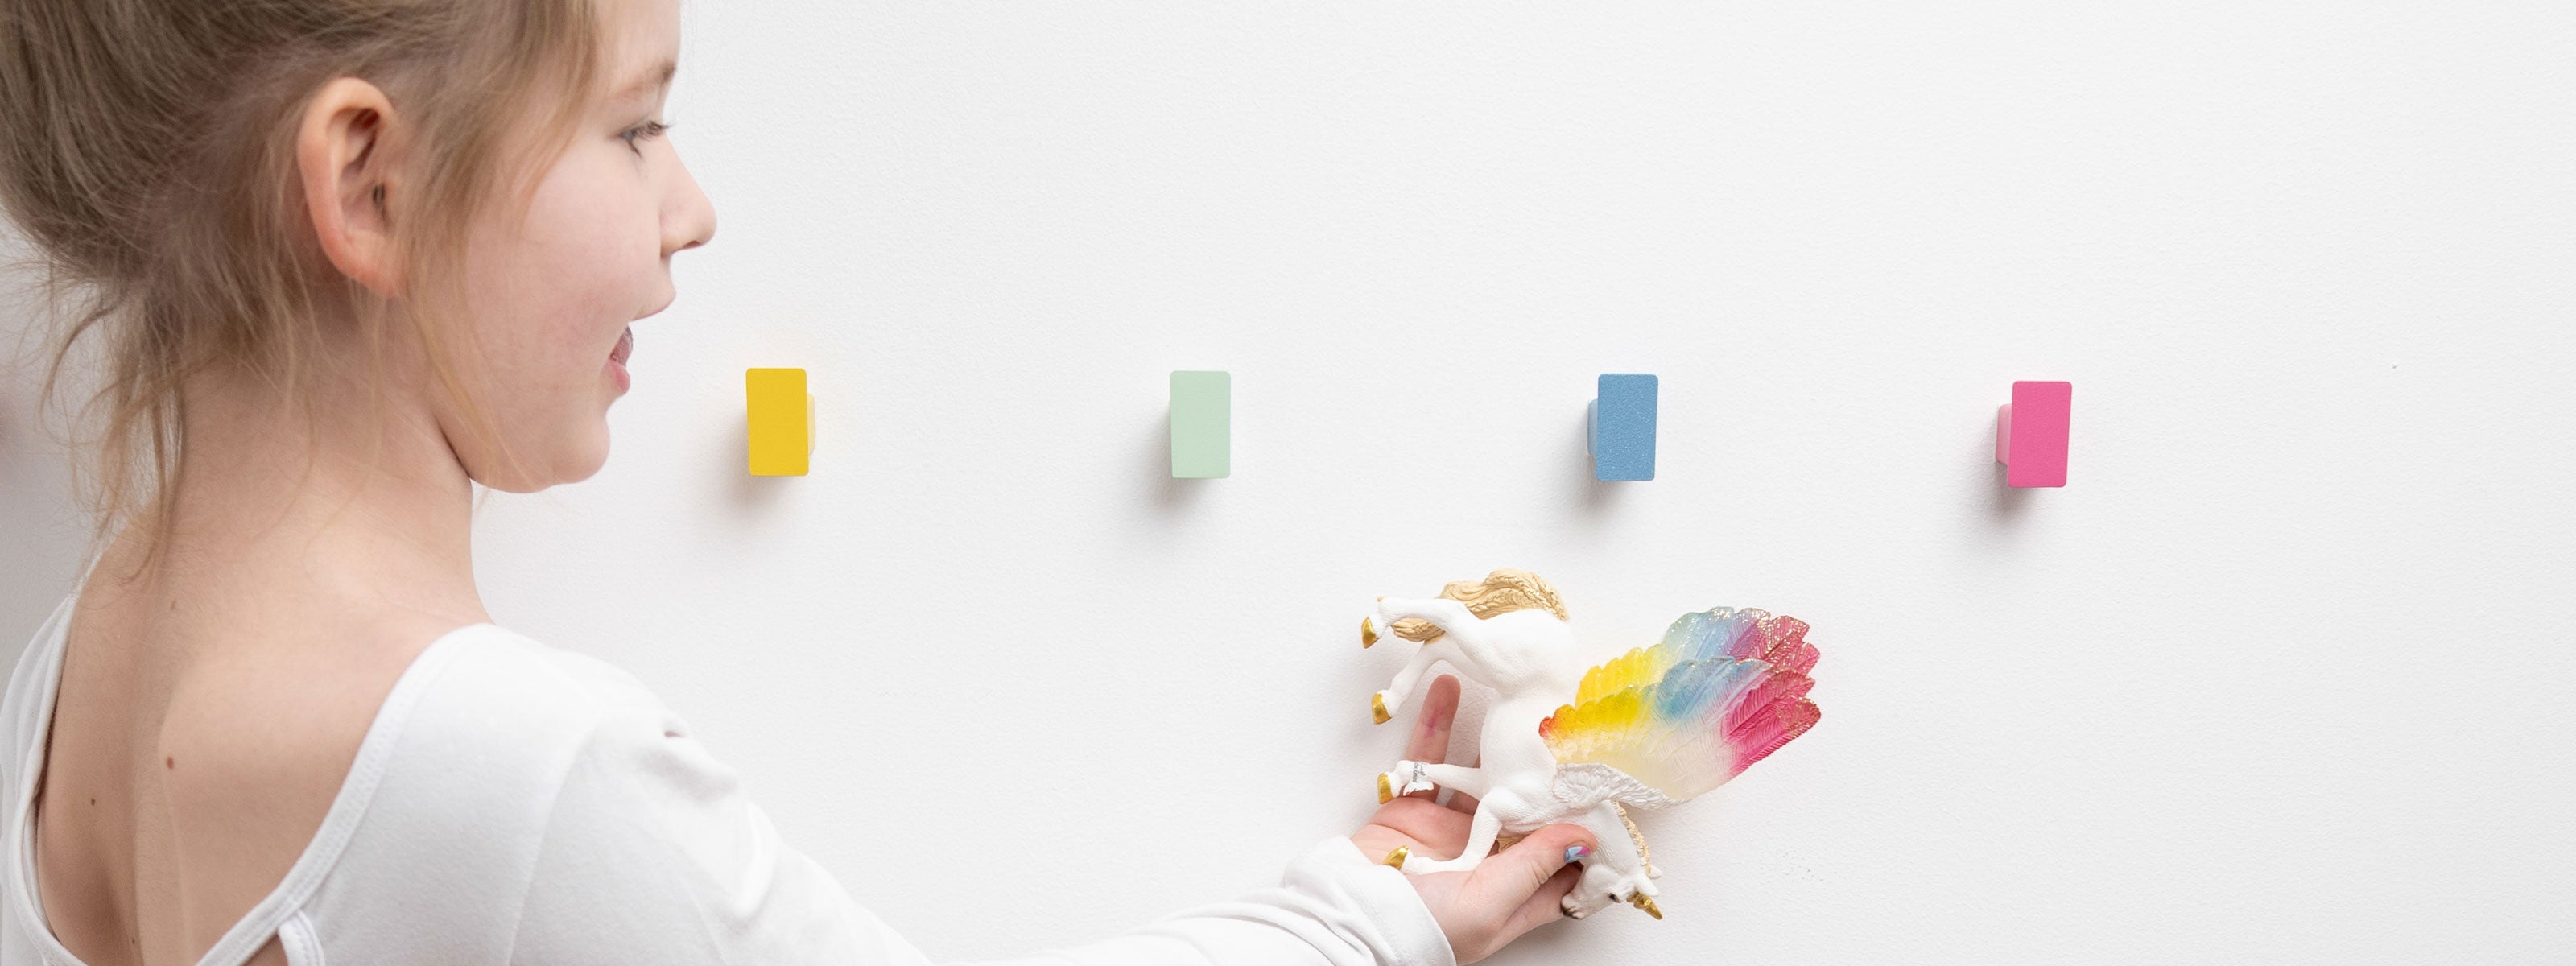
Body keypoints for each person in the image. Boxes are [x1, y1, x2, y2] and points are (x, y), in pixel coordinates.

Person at [0, 1, 1600, 964]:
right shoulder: (508, 765)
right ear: (368, 183)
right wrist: (1366, 920)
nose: (689, 208)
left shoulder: (68, 676)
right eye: (636, 128)